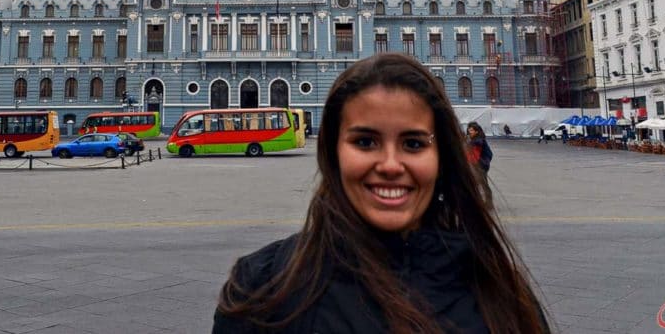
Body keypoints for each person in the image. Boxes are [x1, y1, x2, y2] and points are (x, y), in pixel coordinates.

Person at [213, 53, 548, 333]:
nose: (390, 164)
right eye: (365, 141)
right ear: (333, 153)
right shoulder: (260, 290)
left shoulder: (500, 292)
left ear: (441, 155)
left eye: (413, 143)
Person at [465, 122, 493, 208]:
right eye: (469, 130)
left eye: (471, 130)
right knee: (478, 183)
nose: (470, 132)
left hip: (481, 165)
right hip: (479, 164)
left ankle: (488, 203)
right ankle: (481, 201)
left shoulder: (478, 141)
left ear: (476, 131)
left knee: (481, 183)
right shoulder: (474, 139)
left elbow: (474, 153)